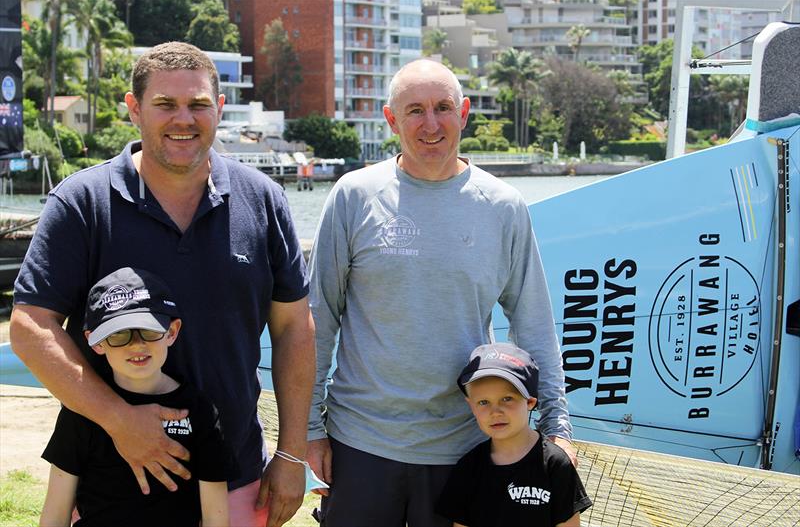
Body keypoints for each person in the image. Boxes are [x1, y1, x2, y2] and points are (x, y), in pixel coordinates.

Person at [11, 42, 314, 527]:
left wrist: (292, 454)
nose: (184, 119)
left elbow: (294, 328)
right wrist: (118, 419)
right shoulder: (82, 203)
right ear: (134, 110)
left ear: (218, 108)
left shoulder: (264, 200)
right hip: (115, 485)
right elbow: (31, 327)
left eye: (198, 105)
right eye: (165, 105)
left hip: (234, 480)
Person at [307, 58, 573, 526]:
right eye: (414, 111)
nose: (431, 124)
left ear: (465, 112)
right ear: (391, 120)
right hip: (360, 442)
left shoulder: (505, 207)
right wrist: (309, 429)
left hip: (464, 448)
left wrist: (557, 428)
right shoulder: (353, 196)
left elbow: (534, 325)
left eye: (443, 108)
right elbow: (318, 320)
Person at [40, 267, 232, 527]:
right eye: (119, 334)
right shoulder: (81, 412)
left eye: (149, 330)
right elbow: (55, 513)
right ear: (95, 341)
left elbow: (216, 519)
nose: (137, 344)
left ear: (172, 331)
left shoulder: (200, 412)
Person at [436, 343, 592, 527]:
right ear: (471, 405)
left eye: (507, 399)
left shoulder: (555, 464)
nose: (496, 412)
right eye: (484, 402)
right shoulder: (468, 467)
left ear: (530, 401)